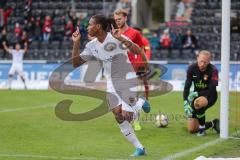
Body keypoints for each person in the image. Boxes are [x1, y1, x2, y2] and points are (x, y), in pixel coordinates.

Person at [71, 14, 146, 156]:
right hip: (112, 80)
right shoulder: (91, 46)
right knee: (118, 115)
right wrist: (76, 43)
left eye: (90, 25)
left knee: (127, 116)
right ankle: (140, 148)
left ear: (98, 26)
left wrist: (121, 38)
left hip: (126, 77)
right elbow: (75, 63)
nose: (87, 28)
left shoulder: (116, 37)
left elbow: (138, 50)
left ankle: (141, 102)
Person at [114, 9, 151, 131]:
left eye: (119, 19)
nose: (117, 22)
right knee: (120, 106)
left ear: (125, 18)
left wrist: (145, 63)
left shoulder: (135, 33)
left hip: (131, 69)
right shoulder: (114, 33)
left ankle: (136, 122)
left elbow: (141, 50)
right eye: (115, 20)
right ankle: (142, 102)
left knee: (130, 98)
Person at [183, 50, 220, 136]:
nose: (202, 64)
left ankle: (202, 129)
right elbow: (187, 86)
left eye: (205, 62)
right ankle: (213, 123)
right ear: (197, 58)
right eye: (201, 61)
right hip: (197, 96)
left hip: (210, 96)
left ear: (209, 61)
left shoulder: (213, 70)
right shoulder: (191, 68)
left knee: (199, 103)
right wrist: (185, 101)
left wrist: (196, 94)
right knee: (192, 129)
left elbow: (212, 89)